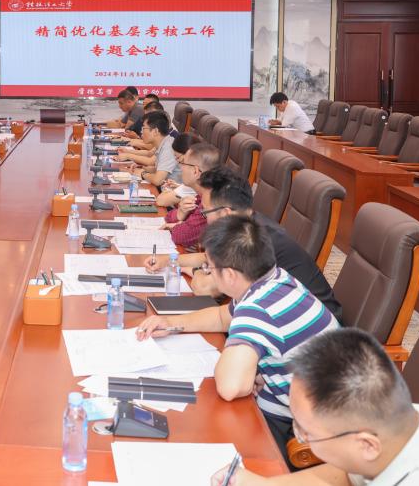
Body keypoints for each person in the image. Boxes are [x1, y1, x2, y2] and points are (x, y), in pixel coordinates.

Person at [137, 214, 338, 465]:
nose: (208, 273)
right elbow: (222, 317)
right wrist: (171, 322)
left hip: (300, 430)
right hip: (313, 405)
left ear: (230, 275)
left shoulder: (257, 307)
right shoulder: (275, 279)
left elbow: (231, 387)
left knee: (187, 436)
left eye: (209, 269)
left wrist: (244, 370)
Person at [213, 328, 419, 485]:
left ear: (366, 445)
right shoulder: (408, 422)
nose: (300, 438)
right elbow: (346, 474)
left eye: (306, 433)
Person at [150, 166, 342, 321]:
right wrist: (169, 260)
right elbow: (206, 257)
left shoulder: (254, 241)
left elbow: (204, 288)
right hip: (280, 314)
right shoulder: (246, 223)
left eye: (205, 211)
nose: (203, 217)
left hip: (312, 335)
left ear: (225, 213)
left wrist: (194, 270)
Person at [155, 142, 220, 248]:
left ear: (196, 171)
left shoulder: (211, 200)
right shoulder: (201, 194)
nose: (180, 168)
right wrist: (180, 213)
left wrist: (179, 224)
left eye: (183, 163)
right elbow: (169, 217)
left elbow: (180, 235)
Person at [121, 111, 178, 187]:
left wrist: (142, 173)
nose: (141, 132)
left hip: (172, 192)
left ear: (155, 131)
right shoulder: (164, 143)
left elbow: (158, 180)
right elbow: (160, 170)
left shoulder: (168, 148)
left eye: (144, 128)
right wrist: (143, 168)